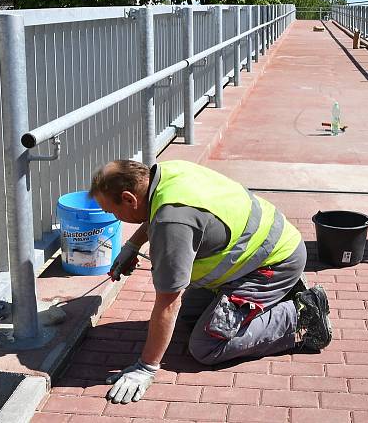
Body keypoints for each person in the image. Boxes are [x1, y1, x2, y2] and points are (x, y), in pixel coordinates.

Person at [88, 159, 332, 404]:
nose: (115, 217)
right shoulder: (166, 173)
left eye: (112, 211)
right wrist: (133, 245)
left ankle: (301, 315)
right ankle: (280, 295)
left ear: (130, 199)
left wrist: (146, 367)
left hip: (272, 266)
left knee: (206, 346)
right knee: (191, 316)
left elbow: (168, 303)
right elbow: (155, 212)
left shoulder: (171, 223)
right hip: (271, 246)